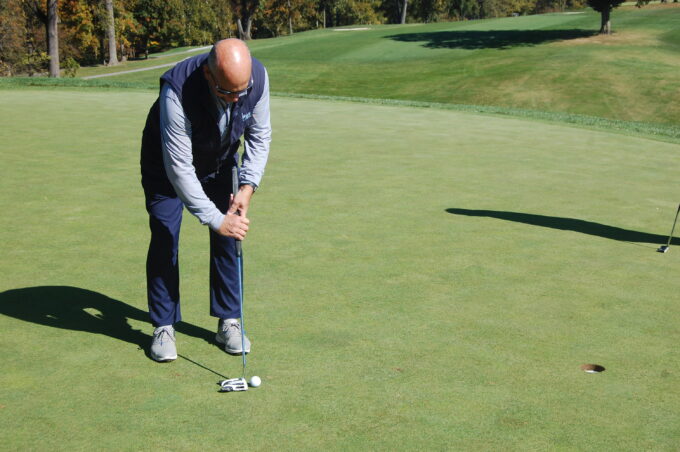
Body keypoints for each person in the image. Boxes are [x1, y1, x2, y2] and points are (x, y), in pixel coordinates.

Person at [140, 39, 271, 362]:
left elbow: (259, 135)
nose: (237, 98)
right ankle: (163, 326)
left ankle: (229, 321)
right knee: (165, 235)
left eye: (242, 91)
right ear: (208, 75)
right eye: (227, 92)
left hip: (220, 160)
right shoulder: (176, 91)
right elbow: (180, 169)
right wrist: (214, 219)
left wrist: (248, 186)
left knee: (230, 235)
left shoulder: (257, 78)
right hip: (166, 165)